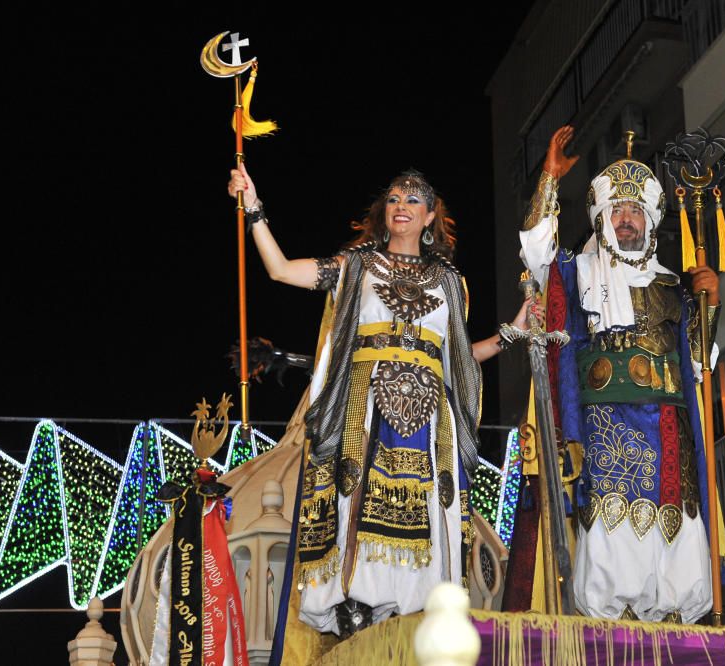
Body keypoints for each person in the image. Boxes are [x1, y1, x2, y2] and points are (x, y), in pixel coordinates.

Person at [227, 165, 533, 637]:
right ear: (383, 213)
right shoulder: (356, 266)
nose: (401, 206)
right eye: (393, 199)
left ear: (431, 216)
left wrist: (513, 331)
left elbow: (459, 357)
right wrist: (253, 209)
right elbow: (280, 269)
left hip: (431, 415)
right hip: (365, 406)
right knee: (358, 500)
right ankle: (358, 606)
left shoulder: (451, 283)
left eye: (413, 200)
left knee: (429, 508)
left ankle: (418, 607)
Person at [511, 126, 721, 623]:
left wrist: (713, 301)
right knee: (610, 544)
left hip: (671, 434)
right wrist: (548, 181)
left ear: (649, 221)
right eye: (616, 211)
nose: (626, 220)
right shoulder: (576, 273)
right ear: (602, 220)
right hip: (605, 433)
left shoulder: (675, 285)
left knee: (677, 545)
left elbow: (697, 365)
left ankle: (674, 626)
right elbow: (534, 253)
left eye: (635, 211)